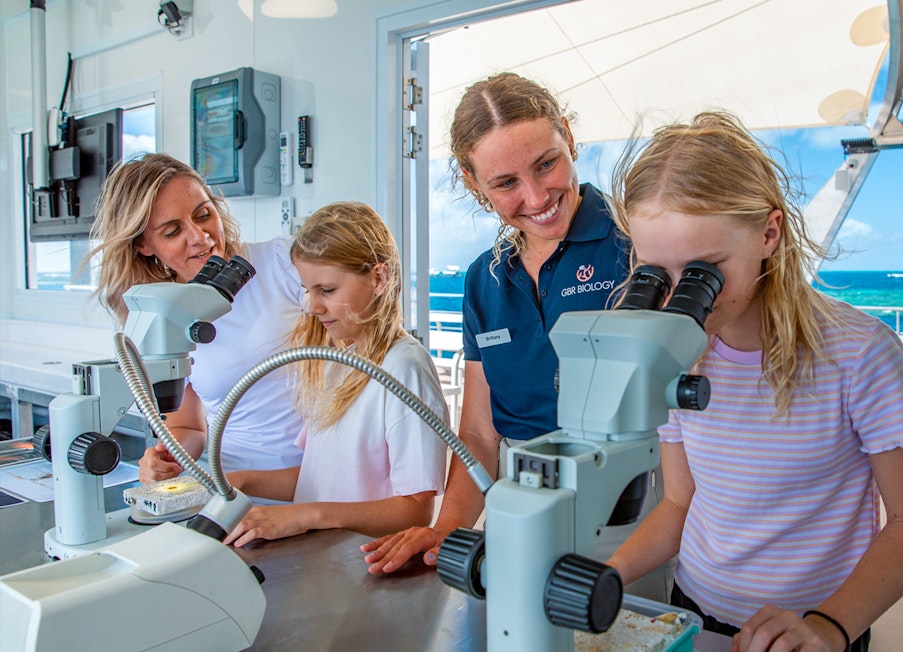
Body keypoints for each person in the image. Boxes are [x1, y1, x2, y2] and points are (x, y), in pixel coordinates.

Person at [603, 112, 903, 652]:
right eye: (656, 273)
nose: (679, 296)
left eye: (703, 270)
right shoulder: (674, 352)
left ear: (769, 231)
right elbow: (677, 504)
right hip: (693, 612)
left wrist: (830, 626)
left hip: (814, 627)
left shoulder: (860, 354)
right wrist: (609, 573)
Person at [361, 72, 636, 575]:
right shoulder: (483, 281)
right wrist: (446, 531)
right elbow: (482, 434)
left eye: (547, 164)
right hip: (519, 506)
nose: (535, 198)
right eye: (506, 183)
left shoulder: (636, 245)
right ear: (473, 182)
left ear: (570, 140)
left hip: (627, 510)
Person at [222, 202, 449, 546]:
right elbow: (319, 476)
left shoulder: (404, 368)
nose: (313, 307)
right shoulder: (337, 358)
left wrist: (307, 516)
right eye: (307, 290)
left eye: (327, 290)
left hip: (360, 565)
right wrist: (242, 480)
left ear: (378, 278)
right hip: (322, 563)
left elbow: (415, 510)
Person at [88, 153, 304, 483]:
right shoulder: (162, 313)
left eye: (203, 215)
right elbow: (188, 426)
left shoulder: (281, 262)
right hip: (237, 488)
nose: (199, 236)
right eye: (173, 231)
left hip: (322, 479)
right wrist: (167, 456)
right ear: (144, 245)